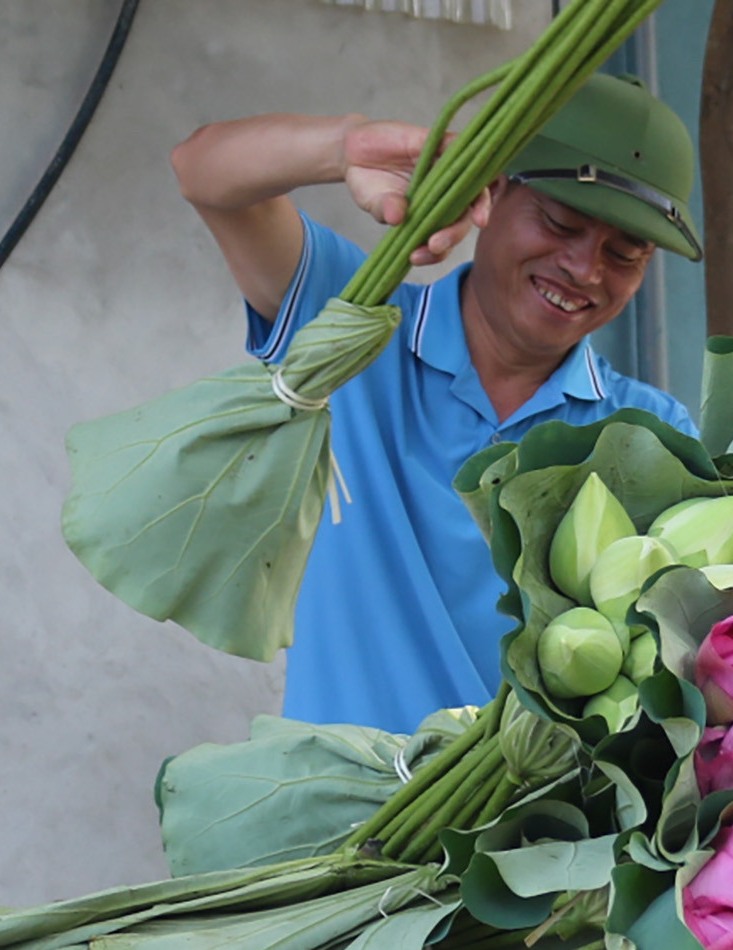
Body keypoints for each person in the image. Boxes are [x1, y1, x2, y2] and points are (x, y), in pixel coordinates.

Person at [169, 74, 701, 733]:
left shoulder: (650, 434)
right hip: (337, 794)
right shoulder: (351, 327)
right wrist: (345, 146)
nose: (586, 269)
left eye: (625, 253)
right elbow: (201, 172)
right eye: (561, 223)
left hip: (537, 800)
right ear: (493, 189)